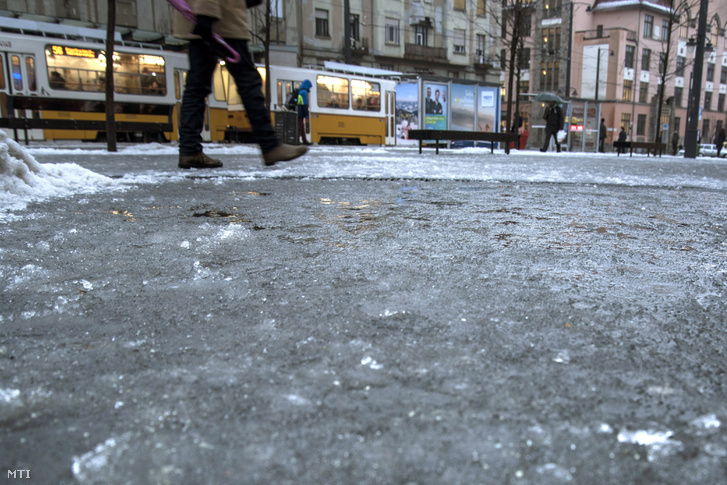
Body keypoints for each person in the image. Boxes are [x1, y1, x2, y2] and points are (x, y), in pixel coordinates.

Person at [173, 1, 307, 169]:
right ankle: (270, 145)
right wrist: (207, 11)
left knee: (197, 84)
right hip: (223, 19)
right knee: (248, 81)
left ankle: (189, 149)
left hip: (208, 17)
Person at [296, 79, 312, 145]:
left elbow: (300, 103)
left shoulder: (300, 91)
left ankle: (303, 139)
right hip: (301, 112)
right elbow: (305, 104)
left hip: (299, 111)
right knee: (300, 126)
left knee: (301, 126)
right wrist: (306, 114)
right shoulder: (304, 92)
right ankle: (298, 140)